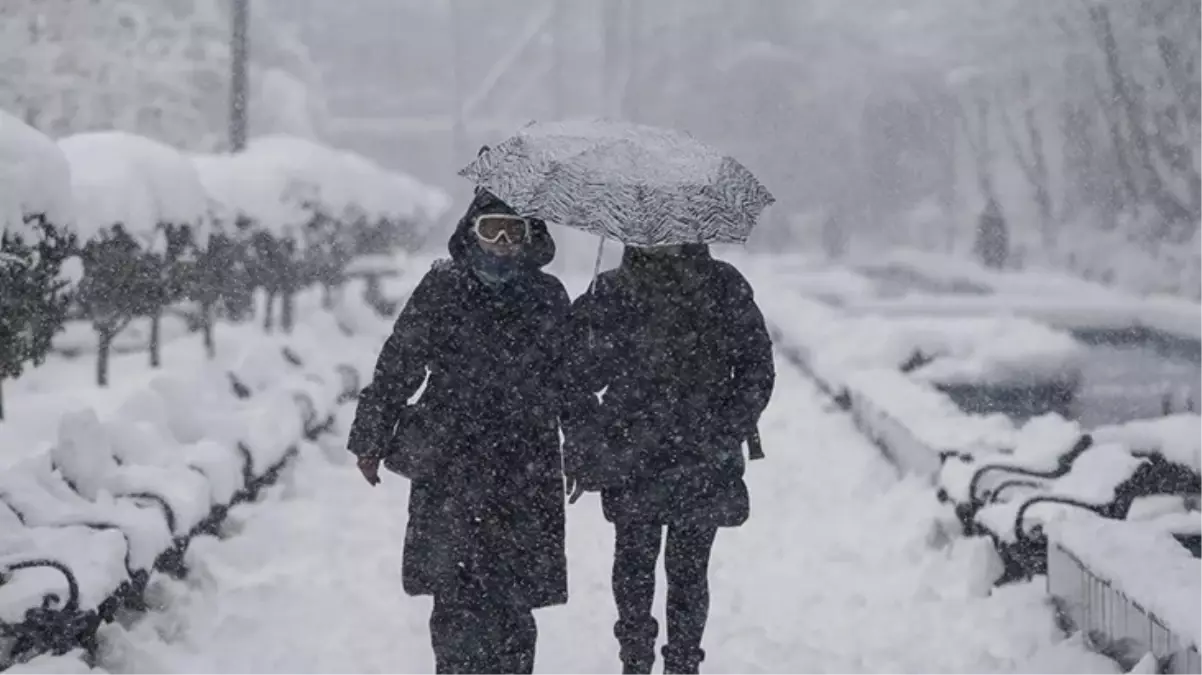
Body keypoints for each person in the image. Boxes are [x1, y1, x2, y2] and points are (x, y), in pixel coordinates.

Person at [347, 187, 569, 675]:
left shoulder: (547, 296)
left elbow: (569, 381)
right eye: (492, 228)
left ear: (531, 238)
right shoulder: (443, 287)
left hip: (523, 464)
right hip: (452, 462)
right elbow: (398, 365)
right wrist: (371, 438)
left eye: (515, 231)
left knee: (514, 601)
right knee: (454, 593)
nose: (503, 241)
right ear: (471, 233)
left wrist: (585, 445)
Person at [562, 244, 776, 675]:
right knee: (634, 561)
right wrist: (588, 438)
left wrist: (726, 425)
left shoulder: (723, 285)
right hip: (633, 452)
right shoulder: (612, 290)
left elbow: (756, 367)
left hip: (702, 454)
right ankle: (635, 657)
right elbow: (576, 375)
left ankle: (683, 660)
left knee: (688, 569)